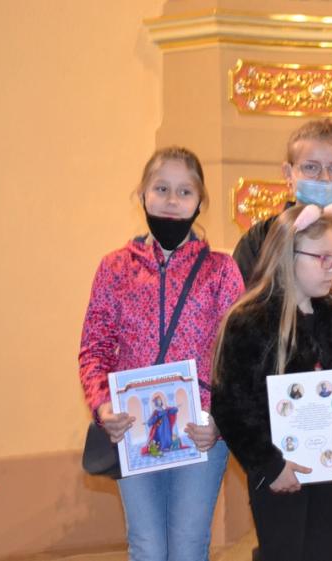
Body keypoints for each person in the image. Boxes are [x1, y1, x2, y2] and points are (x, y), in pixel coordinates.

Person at [78, 146, 244, 561]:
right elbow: (95, 347)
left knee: (188, 547)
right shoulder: (114, 268)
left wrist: (218, 420)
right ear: (142, 195)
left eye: (185, 191)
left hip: (199, 431)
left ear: (200, 201)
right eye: (161, 188)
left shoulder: (222, 270)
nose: (172, 200)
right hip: (134, 427)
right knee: (147, 547)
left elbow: (239, 356)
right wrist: (103, 407)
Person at [211, 203, 332, 561]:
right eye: (322, 258)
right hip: (280, 474)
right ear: (287, 254)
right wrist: (269, 466)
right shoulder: (249, 321)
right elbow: (231, 405)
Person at [233, 118, 332, 329]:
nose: (325, 178)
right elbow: (242, 315)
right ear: (288, 173)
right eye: (311, 167)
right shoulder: (258, 241)